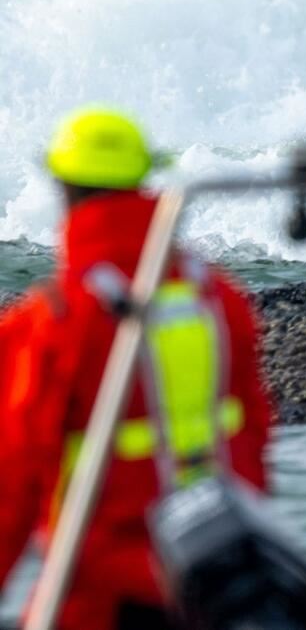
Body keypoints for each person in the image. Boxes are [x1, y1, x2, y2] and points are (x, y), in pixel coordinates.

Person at [0, 107, 274, 630]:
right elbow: (254, 436)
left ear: (63, 189)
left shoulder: (50, 322)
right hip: (216, 582)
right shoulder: (219, 301)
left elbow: (10, 487)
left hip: (101, 594)